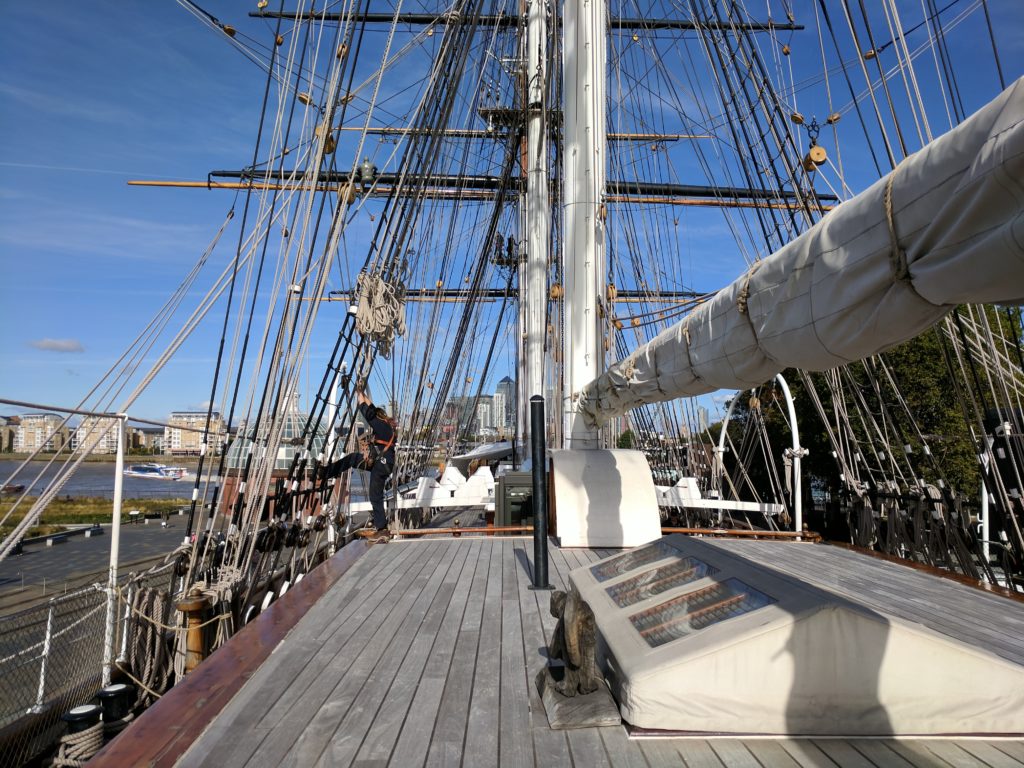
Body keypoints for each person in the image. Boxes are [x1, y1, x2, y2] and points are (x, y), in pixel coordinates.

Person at [323, 389, 396, 537]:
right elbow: (372, 408)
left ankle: (381, 529)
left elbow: (368, 412)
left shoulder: (381, 425)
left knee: (375, 495)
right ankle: (328, 472)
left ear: (379, 417)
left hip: (380, 464)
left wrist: (359, 399)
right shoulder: (386, 424)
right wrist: (361, 391)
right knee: (352, 459)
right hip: (379, 461)